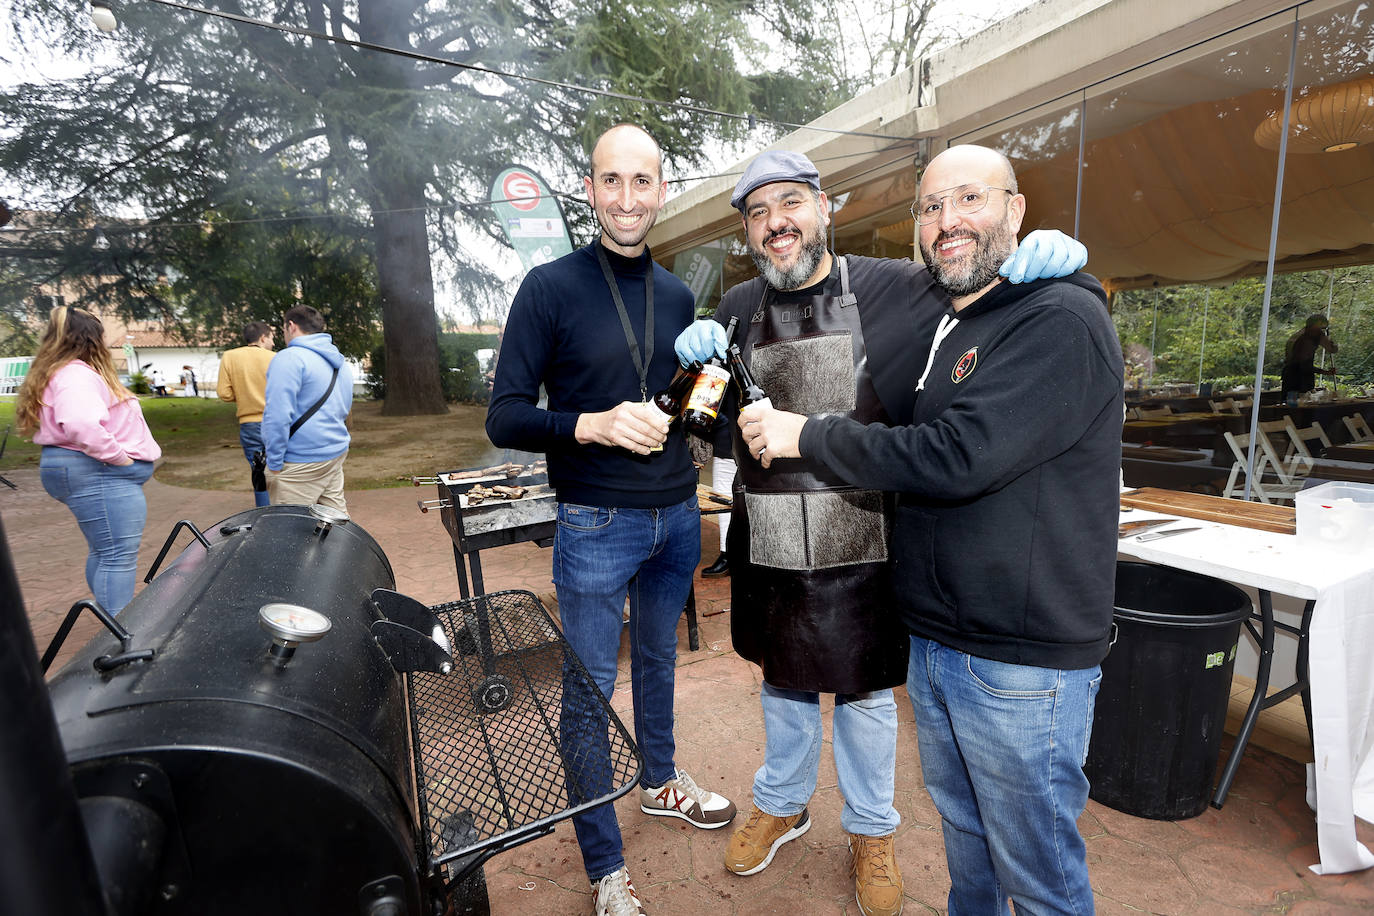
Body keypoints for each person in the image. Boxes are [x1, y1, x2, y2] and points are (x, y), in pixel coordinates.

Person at [674, 149, 1087, 916]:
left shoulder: (905, 287)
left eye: (791, 203)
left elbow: (986, 293)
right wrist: (691, 352)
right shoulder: (732, 307)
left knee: (862, 693)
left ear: (825, 207)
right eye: (758, 213)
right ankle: (783, 802)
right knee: (783, 683)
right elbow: (699, 410)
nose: (777, 224)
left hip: (864, 541)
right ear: (748, 233)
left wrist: (1058, 270)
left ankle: (872, 829)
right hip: (768, 541)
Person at [485, 123, 736, 916]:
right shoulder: (548, 287)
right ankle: (604, 865)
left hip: (673, 518)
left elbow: (687, 416)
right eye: (612, 181)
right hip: (595, 522)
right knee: (588, 694)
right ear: (588, 189)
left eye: (643, 182)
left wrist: (713, 378)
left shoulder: (674, 294)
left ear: (662, 191)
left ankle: (659, 781)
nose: (628, 198)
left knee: (659, 663)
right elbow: (505, 416)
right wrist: (588, 424)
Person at [17, 306, 162, 615]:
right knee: (117, 556)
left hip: (88, 469)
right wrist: (121, 459)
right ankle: (121, 636)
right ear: (90, 338)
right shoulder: (76, 374)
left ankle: (108, 617)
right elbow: (81, 423)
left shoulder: (63, 371)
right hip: (100, 471)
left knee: (105, 551)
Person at [261, 304, 352, 513]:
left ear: (291, 326)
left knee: (290, 534)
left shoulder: (289, 358)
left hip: (300, 462)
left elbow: (277, 416)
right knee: (334, 524)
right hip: (334, 452)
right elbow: (344, 408)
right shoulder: (339, 361)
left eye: (283, 330)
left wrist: (274, 463)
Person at [217, 320, 276, 506]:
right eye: (272, 338)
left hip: (249, 423)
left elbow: (224, 393)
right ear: (263, 337)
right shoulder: (276, 358)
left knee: (258, 471)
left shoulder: (230, 356)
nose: (273, 343)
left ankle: (265, 516)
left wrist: (244, 396)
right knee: (284, 471)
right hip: (277, 421)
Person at [1281, 313, 1338, 406]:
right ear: (1315, 329)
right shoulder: (1307, 339)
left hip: (1292, 377)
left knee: (1292, 407)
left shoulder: (1300, 335)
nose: (1323, 333)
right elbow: (1303, 365)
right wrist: (1325, 372)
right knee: (1297, 408)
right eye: (1322, 330)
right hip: (1298, 380)